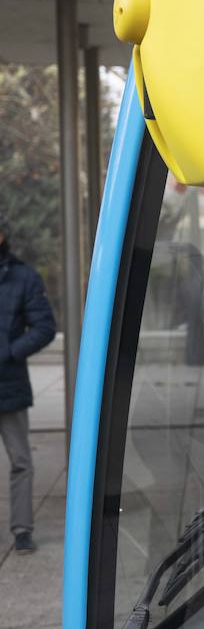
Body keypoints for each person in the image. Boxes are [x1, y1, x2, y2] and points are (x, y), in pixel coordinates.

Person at [0, 212, 56, 555]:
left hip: (10, 386)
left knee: (20, 460)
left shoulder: (25, 278)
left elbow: (44, 328)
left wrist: (8, 352)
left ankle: (22, 530)